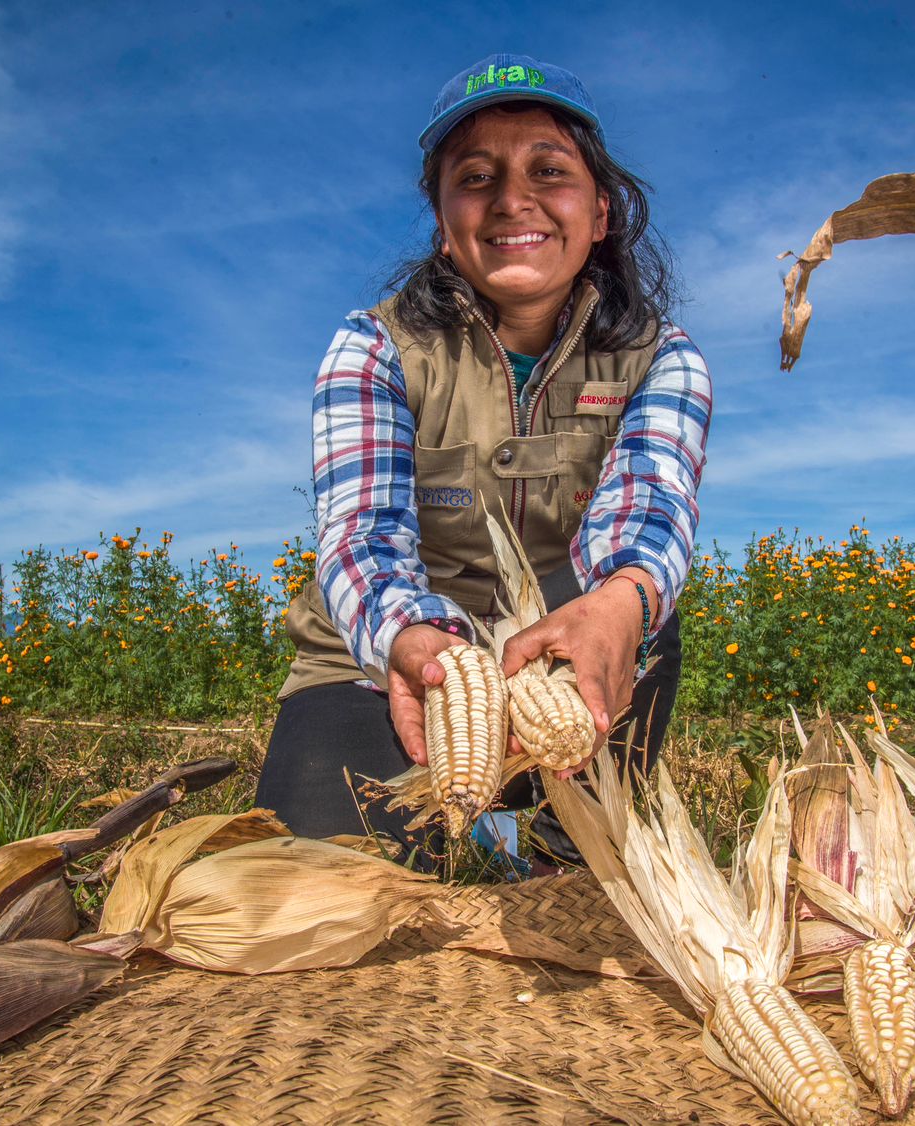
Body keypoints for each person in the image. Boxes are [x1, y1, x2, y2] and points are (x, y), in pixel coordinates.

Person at [255, 53, 712, 868]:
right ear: (442, 220)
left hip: (563, 658)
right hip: (391, 661)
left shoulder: (663, 359)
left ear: (601, 211)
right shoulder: (371, 348)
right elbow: (361, 532)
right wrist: (412, 641)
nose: (512, 200)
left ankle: (554, 840)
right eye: (476, 177)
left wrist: (617, 610)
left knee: (644, 614)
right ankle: (458, 822)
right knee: (324, 885)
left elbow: (649, 514)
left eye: (549, 170)